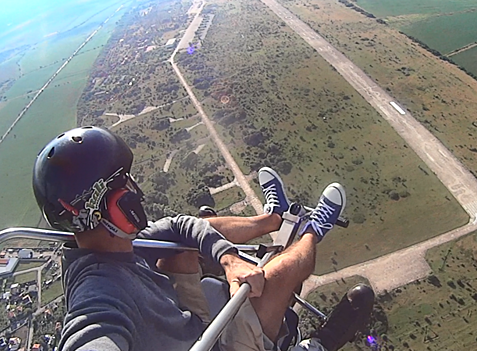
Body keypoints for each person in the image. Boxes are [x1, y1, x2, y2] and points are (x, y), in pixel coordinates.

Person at [32, 126, 369, 351]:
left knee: (192, 233)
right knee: (275, 278)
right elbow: (91, 332)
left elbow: (180, 225)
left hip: (189, 324)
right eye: (124, 186)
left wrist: (229, 258)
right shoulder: (98, 294)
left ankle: (274, 216)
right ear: (94, 210)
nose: (136, 192)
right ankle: (314, 231)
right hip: (210, 344)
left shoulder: (117, 247)